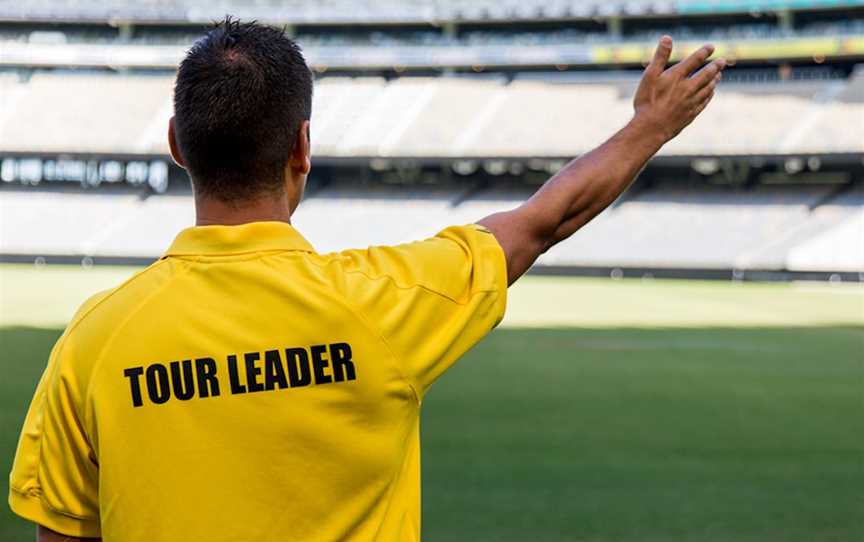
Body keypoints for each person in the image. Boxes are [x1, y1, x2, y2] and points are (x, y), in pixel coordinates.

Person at [9, 17, 725, 542]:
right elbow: (543, 220)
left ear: (175, 147)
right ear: (302, 147)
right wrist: (649, 127)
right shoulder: (384, 303)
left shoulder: (93, 342)